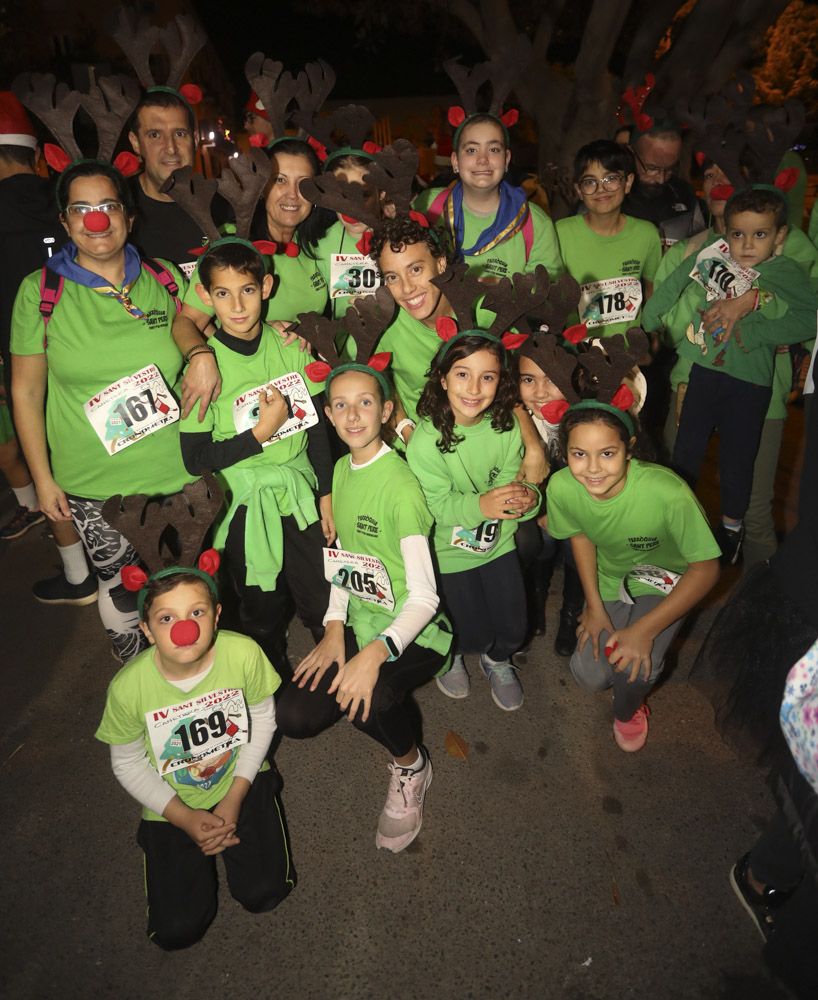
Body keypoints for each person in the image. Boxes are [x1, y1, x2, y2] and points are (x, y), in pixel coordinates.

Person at [11, 160, 193, 662]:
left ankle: (191, 680)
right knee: (120, 585)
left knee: (182, 587)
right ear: (66, 222)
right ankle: (138, 672)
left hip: (176, 471)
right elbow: (26, 392)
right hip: (94, 480)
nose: (97, 221)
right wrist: (43, 480)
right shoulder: (39, 293)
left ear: (129, 216)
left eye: (109, 205)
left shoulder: (167, 280)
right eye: (82, 209)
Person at [276, 362, 451, 853]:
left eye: (366, 403)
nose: (353, 415)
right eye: (341, 405)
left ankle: (410, 764)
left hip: (416, 628)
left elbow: (425, 598)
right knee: (295, 715)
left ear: (387, 410)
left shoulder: (401, 487)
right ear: (328, 415)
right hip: (359, 615)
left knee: (367, 701)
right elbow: (346, 562)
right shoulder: (339, 469)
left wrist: (373, 652)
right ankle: (366, 677)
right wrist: (334, 629)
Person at [95, 561, 294, 950]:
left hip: (240, 776)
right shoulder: (127, 689)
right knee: (175, 931)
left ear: (217, 616)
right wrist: (183, 816)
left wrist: (234, 798)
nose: (185, 629)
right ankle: (163, 842)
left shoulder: (243, 653)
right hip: (171, 799)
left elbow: (263, 720)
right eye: (166, 618)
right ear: (147, 630)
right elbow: (128, 762)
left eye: (197, 612)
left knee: (266, 893)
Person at [652, 161, 818, 565]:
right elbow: (672, 297)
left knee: (744, 481)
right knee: (684, 464)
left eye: (760, 235)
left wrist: (753, 314)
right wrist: (652, 329)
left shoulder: (785, 260)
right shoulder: (708, 252)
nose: (747, 245)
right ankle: (680, 545)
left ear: (778, 237)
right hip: (700, 375)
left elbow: (808, 312)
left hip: (757, 386)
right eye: (739, 234)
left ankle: (739, 549)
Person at [179, 238, 333, 667]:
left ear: (266, 287)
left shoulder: (292, 347)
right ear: (206, 297)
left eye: (247, 290)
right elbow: (195, 458)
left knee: (321, 593)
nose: (238, 305)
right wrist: (258, 437)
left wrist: (327, 492)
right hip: (245, 503)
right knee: (261, 605)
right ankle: (270, 671)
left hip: (300, 491)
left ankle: (335, 669)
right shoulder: (203, 370)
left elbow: (318, 426)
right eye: (223, 294)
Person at [547, 398, 720, 751]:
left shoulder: (667, 492)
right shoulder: (562, 487)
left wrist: (645, 630)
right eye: (579, 454)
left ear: (629, 449)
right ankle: (626, 658)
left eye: (607, 453)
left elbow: (706, 569)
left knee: (633, 667)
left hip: (670, 581)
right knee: (590, 675)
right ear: (565, 453)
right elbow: (580, 535)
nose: (593, 469)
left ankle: (628, 711)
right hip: (612, 578)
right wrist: (593, 606)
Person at [407, 331, 540, 710]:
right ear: (443, 379)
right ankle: (448, 655)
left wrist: (529, 500)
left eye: (488, 377)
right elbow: (436, 506)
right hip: (448, 550)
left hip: (498, 544)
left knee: (515, 629)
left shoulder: (508, 428)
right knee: (467, 632)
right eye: (462, 374)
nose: (474, 388)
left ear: (501, 383)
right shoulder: (425, 440)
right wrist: (483, 505)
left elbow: (516, 492)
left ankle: (497, 660)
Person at [0, 91, 95, 602]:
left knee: (50, 470)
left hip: (28, 366)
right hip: (94, 352)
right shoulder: (66, 197)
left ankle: (80, 576)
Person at [175, 139, 328, 338]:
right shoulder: (233, 242)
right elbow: (188, 322)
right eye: (280, 180)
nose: (292, 194)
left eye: (303, 184)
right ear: (262, 188)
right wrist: (201, 357)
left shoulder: (315, 242)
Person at [415, 113, 562, 282]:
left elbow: (548, 296)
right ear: (455, 161)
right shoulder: (428, 207)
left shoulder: (535, 223)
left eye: (493, 150)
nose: (483, 160)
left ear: (506, 159)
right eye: (471, 150)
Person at [514, 346, 584, 655]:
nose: (540, 392)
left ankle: (571, 612)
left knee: (577, 547)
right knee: (541, 540)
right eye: (528, 379)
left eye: (551, 379)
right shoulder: (521, 419)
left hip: (582, 512)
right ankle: (537, 599)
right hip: (540, 504)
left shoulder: (586, 415)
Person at [556, 140, 661, 340]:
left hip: (627, 354)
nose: (601, 189)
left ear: (628, 183)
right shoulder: (560, 233)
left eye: (610, 179)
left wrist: (652, 337)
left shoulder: (647, 234)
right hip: (575, 352)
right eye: (590, 182)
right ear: (579, 190)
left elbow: (652, 292)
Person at [622, 126, 706, 249]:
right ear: (631, 153)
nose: (661, 179)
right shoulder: (609, 196)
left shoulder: (684, 195)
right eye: (652, 169)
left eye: (670, 169)